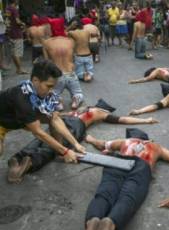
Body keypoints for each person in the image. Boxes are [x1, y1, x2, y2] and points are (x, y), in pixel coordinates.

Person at [7, 100, 158, 183]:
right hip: (75, 126)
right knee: (56, 147)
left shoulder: (81, 109)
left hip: (61, 120)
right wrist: (145, 120)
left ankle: (19, 156)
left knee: (42, 137)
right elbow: (122, 120)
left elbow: (57, 115)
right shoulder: (99, 112)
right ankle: (31, 161)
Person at [0, 60, 86, 165]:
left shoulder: (46, 92)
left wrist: (75, 144)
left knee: (53, 116)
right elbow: (38, 133)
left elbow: (56, 119)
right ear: (35, 80)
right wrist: (66, 151)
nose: (51, 90)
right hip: (3, 121)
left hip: (18, 117)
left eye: (53, 86)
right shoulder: (22, 99)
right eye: (49, 86)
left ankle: (58, 150)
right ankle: (62, 151)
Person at [43, 36, 84, 110]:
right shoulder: (71, 41)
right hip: (70, 73)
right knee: (78, 93)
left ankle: (58, 102)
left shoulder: (46, 42)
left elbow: (47, 62)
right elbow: (73, 58)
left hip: (57, 75)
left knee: (52, 94)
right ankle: (76, 99)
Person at [5, 0, 27, 74]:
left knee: (14, 52)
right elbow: (17, 21)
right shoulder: (14, 9)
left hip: (11, 33)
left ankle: (18, 69)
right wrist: (23, 24)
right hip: (17, 33)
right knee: (17, 52)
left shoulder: (7, 8)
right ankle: (20, 69)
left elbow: (7, 20)